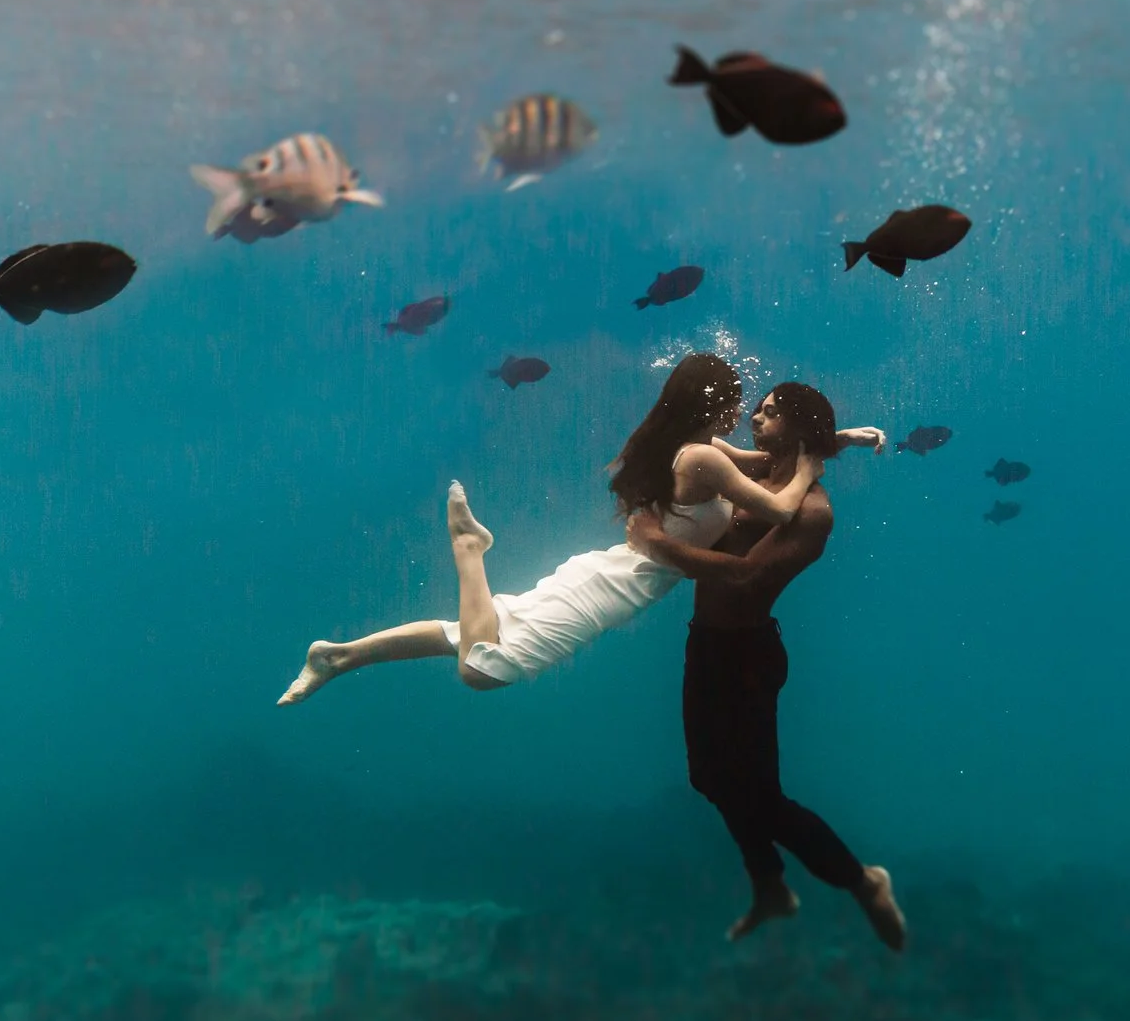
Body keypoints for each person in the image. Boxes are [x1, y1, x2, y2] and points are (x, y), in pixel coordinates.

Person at [276, 354, 872, 701]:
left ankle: (341, 657)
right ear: (710, 406)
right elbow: (779, 506)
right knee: (484, 668)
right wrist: (815, 463)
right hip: (617, 585)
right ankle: (469, 549)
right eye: (740, 403)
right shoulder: (706, 457)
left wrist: (830, 438)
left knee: (474, 629)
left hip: (614, 570)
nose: (744, 415)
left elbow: (770, 464)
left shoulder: (700, 449)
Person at [629, 382, 907, 952]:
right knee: (709, 779)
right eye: (758, 406)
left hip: (747, 658)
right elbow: (723, 449)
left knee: (761, 798)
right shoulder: (764, 476)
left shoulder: (812, 510)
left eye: (772, 412)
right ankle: (771, 888)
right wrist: (840, 439)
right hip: (705, 644)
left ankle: (862, 881)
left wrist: (656, 544)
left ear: (799, 429)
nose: (756, 415)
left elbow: (745, 577)